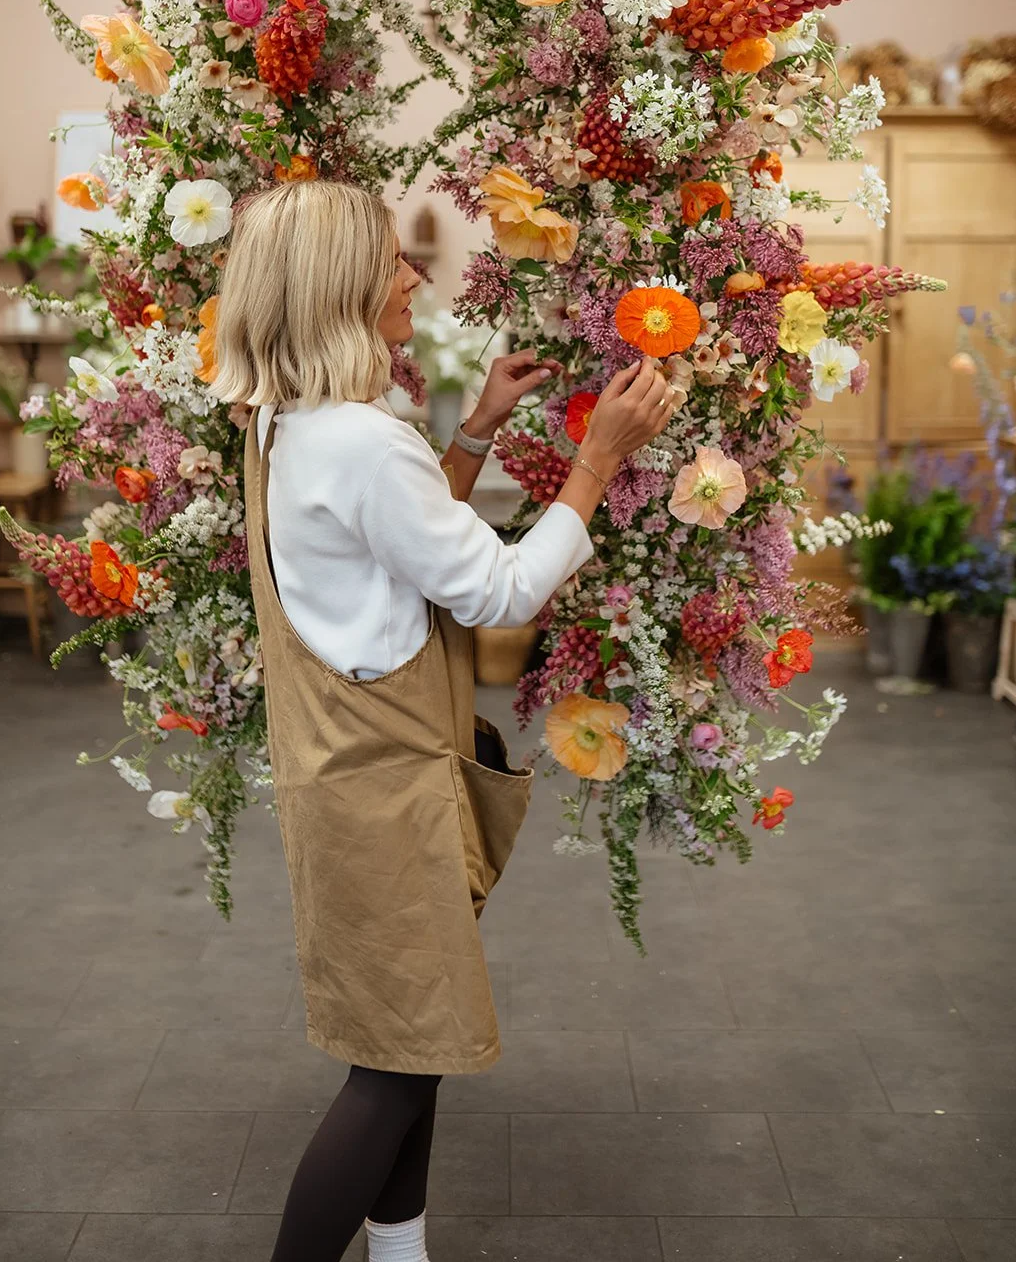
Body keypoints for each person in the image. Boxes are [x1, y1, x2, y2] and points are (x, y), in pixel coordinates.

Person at [210, 179, 673, 1262]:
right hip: (384, 791)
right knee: (394, 1062)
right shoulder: (363, 444)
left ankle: (401, 1253)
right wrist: (597, 459)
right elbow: (498, 593)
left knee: (403, 1041)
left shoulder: (289, 425)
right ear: (337, 291)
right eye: (391, 265)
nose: (415, 277)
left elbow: (399, 555)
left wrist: (471, 431)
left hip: (347, 773)